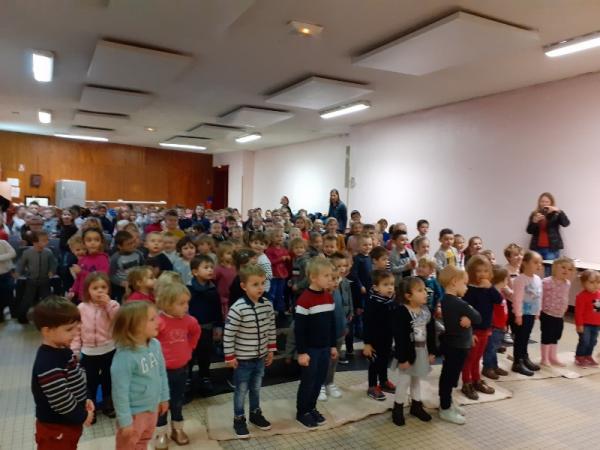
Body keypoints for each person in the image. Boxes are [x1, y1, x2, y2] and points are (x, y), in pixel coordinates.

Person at [31, 296, 94, 450]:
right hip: (55, 428)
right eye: (68, 329)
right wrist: (82, 416)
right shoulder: (47, 362)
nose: (74, 333)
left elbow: (77, 376)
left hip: (68, 422)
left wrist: (86, 396)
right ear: (47, 331)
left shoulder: (63, 349)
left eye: (76, 328)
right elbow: (61, 400)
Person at [224, 264, 276, 439]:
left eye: (262, 283)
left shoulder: (267, 305)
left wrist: (271, 349)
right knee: (241, 390)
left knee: (256, 388)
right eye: (255, 284)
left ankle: (255, 414)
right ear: (243, 286)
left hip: (260, 358)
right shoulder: (237, 308)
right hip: (243, 360)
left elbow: (271, 328)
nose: (260, 287)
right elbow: (229, 334)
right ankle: (239, 419)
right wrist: (230, 356)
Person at [111, 301, 169, 450]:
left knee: (144, 441)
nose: (159, 321)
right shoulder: (125, 356)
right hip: (134, 414)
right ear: (135, 326)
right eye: (152, 319)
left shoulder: (155, 345)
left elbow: (162, 373)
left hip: (152, 407)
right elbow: (119, 392)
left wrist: (164, 397)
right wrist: (125, 421)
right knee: (128, 445)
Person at [154, 282, 200, 448]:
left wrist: (190, 347)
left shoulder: (189, 321)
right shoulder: (158, 322)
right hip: (161, 372)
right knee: (161, 403)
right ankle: (161, 433)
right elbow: (149, 341)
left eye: (187, 302)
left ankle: (177, 429)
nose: (186, 307)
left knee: (178, 401)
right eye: (181, 303)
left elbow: (196, 332)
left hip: (181, 369)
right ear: (167, 304)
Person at [295, 257, 338, 429]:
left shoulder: (328, 297)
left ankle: (311, 407)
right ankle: (302, 411)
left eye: (331, 275)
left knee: (319, 379)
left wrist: (333, 345)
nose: (330, 279)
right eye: (326, 276)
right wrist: (302, 352)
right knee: (308, 381)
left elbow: (332, 324)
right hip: (310, 350)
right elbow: (299, 330)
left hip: (324, 348)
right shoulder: (304, 300)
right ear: (313, 277)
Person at [71, 272, 120, 422]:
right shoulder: (81, 307)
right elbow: (76, 330)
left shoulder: (113, 305)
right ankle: (90, 409)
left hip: (109, 349)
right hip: (89, 352)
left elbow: (118, 321)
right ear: (87, 290)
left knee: (108, 379)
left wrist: (109, 304)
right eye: (95, 288)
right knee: (90, 382)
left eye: (103, 287)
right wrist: (75, 349)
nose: (100, 291)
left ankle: (108, 404)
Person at [437, 265, 481, 425]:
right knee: (449, 377)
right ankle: (445, 407)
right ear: (454, 282)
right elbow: (478, 317)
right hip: (457, 347)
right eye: (465, 283)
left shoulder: (446, 300)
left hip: (455, 345)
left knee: (449, 376)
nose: (467, 287)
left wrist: (469, 324)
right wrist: (470, 319)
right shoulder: (458, 303)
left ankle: (447, 402)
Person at [391, 276, 437, 426]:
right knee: (404, 382)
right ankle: (397, 408)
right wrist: (402, 358)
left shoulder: (426, 311)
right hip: (407, 354)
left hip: (422, 351)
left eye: (424, 289)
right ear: (408, 296)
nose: (425, 293)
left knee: (416, 379)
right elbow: (400, 337)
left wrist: (432, 352)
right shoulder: (401, 312)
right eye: (420, 290)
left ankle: (416, 406)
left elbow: (431, 333)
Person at [460, 256, 502, 400]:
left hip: (485, 329)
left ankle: (476, 379)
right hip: (473, 331)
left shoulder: (488, 288)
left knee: (478, 357)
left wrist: (490, 287)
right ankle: (467, 382)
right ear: (471, 273)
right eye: (478, 271)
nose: (483, 274)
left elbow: (499, 300)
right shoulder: (469, 290)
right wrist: (469, 332)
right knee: (469, 358)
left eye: (485, 271)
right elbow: (465, 312)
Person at [188, 255, 223, 394]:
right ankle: (188, 379)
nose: (210, 270)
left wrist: (218, 326)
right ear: (195, 272)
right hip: (190, 330)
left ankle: (205, 377)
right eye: (206, 268)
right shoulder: (189, 289)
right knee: (190, 356)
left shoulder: (213, 290)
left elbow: (217, 309)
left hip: (207, 328)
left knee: (205, 355)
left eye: (211, 268)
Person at [362, 270, 396, 401]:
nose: (390, 288)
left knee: (384, 360)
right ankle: (372, 386)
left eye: (392, 284)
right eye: (385, 284)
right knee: (375, 363)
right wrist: (367, 343)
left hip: (387, 337)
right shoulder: (373, 303)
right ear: (376, 287)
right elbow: (367, 324)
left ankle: (383, 381)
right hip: (374, 340)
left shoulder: (391, 300)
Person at [511, 251, 543, 376]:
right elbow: (517, 298)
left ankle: (524, 357)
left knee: (526, 337)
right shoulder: (520, 280)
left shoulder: (537, 279)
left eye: (539, 263)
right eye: (535, 262)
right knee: (520, 338)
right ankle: (517, 362)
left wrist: (537, 311)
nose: (538, 265)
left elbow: (539, 296)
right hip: (521, 314)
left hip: (531, 313)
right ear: (525, 263)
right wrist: (518, 315)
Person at [16, 231, 57, 324]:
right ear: (35, 242)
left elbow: (53, 263)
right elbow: (21, 264)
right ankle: (22, 317)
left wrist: (52, 271)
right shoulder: (27, 253)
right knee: (27, 299)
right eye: (44, 240)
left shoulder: (48, 252)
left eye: (47, 240)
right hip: (31, 280)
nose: (46, 242)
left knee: (47, 300)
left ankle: (50, 318)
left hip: (45, 280)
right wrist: (18, 272)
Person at [540, 257, 574, 367]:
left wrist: (564, 308)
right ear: (555, 268)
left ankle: (552, 356)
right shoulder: (546, 282)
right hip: (547, 313)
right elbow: (539, 296)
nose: (566, 271)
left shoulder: (567, 283)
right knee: (547, 335)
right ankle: (544, 358)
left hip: (559, 315)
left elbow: (565, 296)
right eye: (563, 267)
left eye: (569, 269)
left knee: (556, 335)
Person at [481, 266, 510, 380]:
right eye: (507, 279)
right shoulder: (491, 294)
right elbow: (491, 312)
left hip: (500, 326)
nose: (508, 282)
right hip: (494, 326)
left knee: (494, 347)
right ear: (502, 280)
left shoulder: (500, 292)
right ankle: (487, 367)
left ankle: (494, 365)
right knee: (490, 348)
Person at [526, 192, 570, 262]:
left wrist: (559, 211)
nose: (544, 204)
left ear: (551, 203)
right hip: (537, 248)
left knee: (549, 270)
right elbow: (529, 231)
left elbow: (566, 223)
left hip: (551, 248)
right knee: (534, 269)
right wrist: (534, 222)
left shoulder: (556, 213)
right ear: (539, 202)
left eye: (547, 202)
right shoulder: (535, 213)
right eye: (542, 201)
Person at [70, 228, 110, 302]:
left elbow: (102, 278)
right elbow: (78, 279)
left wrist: (81, 272)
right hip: (82, 296)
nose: (93, 243)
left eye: (96, 240)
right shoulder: (82, 259)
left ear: (101, 242)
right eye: (89, 240)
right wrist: (73, 290)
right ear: (84, 243)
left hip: (97, 297)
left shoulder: (103, 258)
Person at [109, 230, 144, 303]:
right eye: (128, 244)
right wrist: (121, 283)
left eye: (133, 242)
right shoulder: (115, 258)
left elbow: (142, 267)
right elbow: (111, 275)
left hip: (136, 284)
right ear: (120, 246)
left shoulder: (138, 254)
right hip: (121, 287)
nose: (132, 245)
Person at [574, 269, 600, 366]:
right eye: (592, 282)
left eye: (598, 282)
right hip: (585, 324)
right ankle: (579, 356)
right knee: (584, 340)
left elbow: (597, 310)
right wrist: (579, 325)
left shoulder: (598, 294)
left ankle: (588, 355)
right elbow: (578, 313)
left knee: (593, 341)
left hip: (596, 324)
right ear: (583, 283)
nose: (596, 285)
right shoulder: (581, 296)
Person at [265, 230, 290, 320]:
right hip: (274, 275)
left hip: (282, 275)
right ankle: (270, 312)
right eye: (277, 236)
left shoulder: (284, 249)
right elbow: (269, 262)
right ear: (271, 238)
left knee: (281, 294)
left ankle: (281, 311)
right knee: (272, 294)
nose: (280, 238)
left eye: (281, 236)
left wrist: (287, 258)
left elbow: (287, 258)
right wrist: (281, 259)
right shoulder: (269, 250)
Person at [214, 241, 237, 319]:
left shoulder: (235, 266)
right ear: (221, 256)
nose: (232, 255)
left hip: (234, 297)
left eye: (233, 252)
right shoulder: (218, 269)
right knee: (227, 318)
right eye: (229, 253)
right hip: (223, 299)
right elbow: (214, 281)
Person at [0, 237, 16, 321]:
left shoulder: (3, 242)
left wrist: (1, 258)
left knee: (9, 293)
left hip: (6, 273)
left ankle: (13, 312)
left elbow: (13, 253)